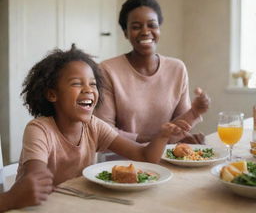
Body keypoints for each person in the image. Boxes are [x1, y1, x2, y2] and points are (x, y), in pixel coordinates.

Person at [16, 44, 192, 186]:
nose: (88, 90)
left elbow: (144, 156)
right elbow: (33, 183)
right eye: (77, 84)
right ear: (52, 94)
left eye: (93, 85)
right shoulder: (40, 130)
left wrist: (162, 136)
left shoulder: (93, 126)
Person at [95, 0, 210, 144]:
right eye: (136, 27)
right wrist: (155, 142)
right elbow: (104, 131)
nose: (145, 31)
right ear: (125, 33)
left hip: (165, 158)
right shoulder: (107, 70)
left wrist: (196, 111)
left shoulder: (177, 68)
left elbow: (179, 128)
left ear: (159, 29)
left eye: (152, 25)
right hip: (121, 160)